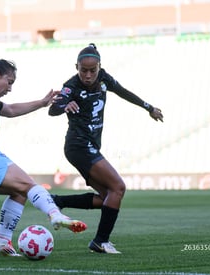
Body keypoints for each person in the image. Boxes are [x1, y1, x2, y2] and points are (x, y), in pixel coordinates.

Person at [0, 57, 87, 256]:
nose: (10, 88)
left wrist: (42, 103)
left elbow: (11, 110)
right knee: (30, 185)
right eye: (9, 82)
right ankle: (55, 214)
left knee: (20, 192)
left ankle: (2, 240)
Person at [48, 43, 164, 254]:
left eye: (93, 70)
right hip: (78, 145)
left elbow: (123, 92)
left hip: (89, 146)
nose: (89, 75)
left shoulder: (104, 79)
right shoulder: (71, 86)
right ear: (77, 67)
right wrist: (64, 105)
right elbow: (53, 108)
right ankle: (100, 241)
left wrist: (149, 108)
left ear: (100, 67)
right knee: (118, 187)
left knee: (108, 198)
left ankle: (57, 201)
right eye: (84, 70)